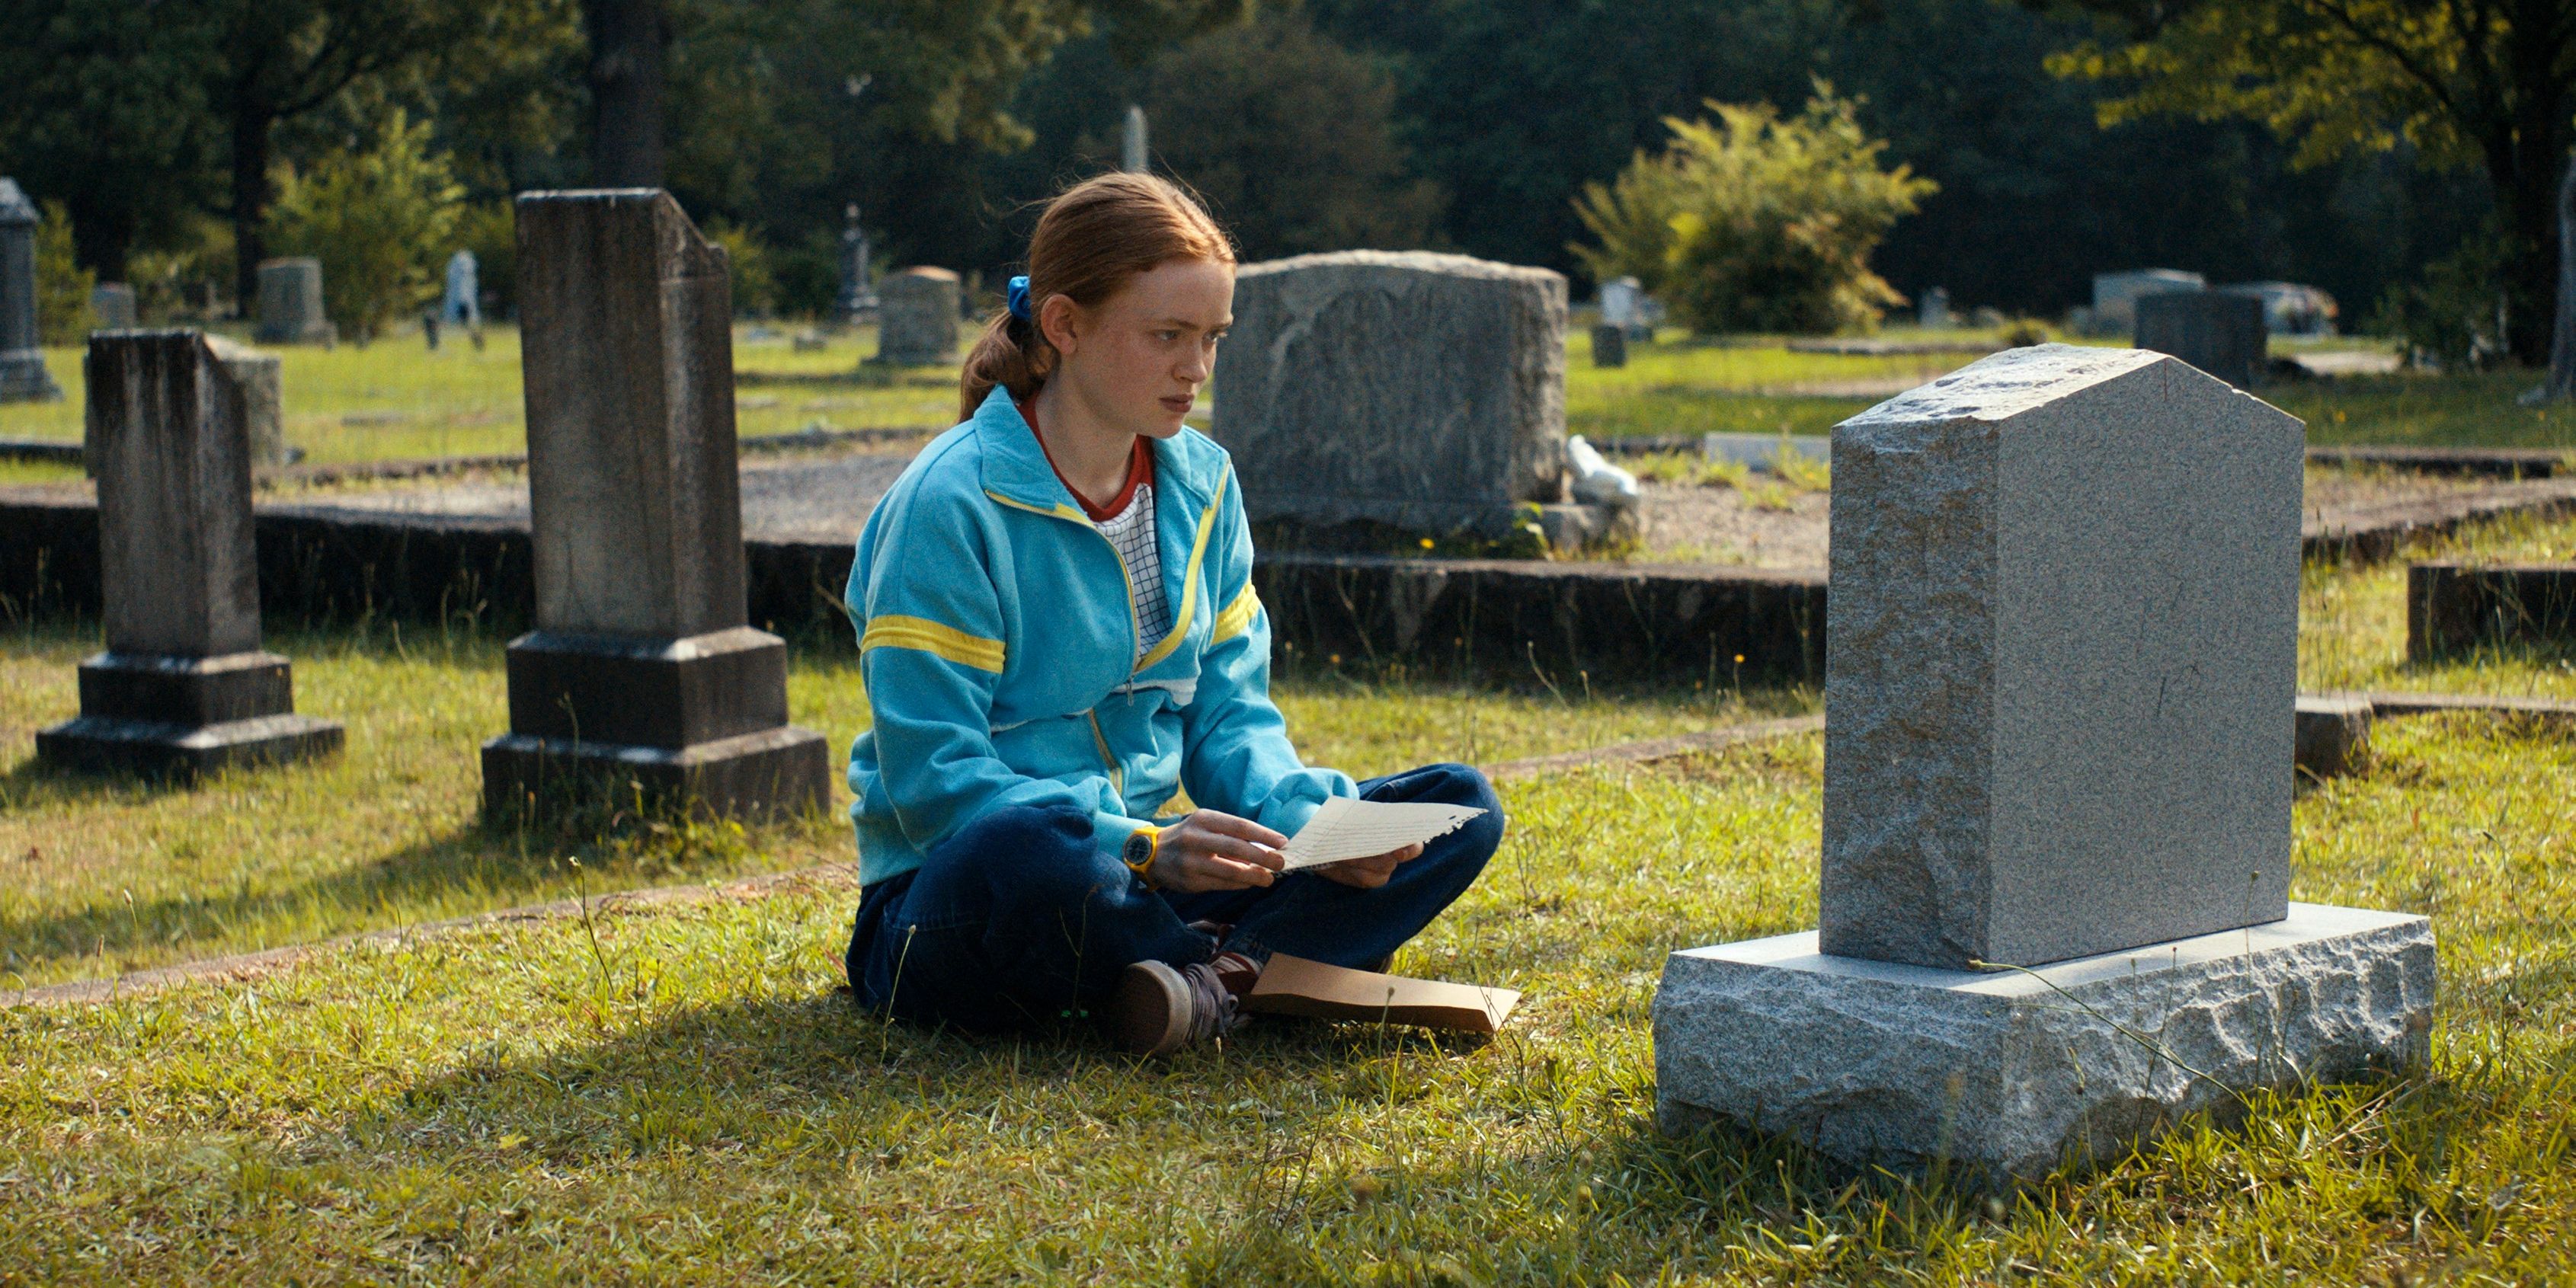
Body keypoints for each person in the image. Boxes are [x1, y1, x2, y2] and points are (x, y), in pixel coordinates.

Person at [840, 173, 1503, 1056]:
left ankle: (1201, 982)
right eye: (1167, 336)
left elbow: (1230, 715)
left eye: (1212, 339)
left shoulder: (1204, 483)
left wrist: (1309, 822)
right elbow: (937, 784)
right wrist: (1144, 844)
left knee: (1458, 806)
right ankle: (1262, 967)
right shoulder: (948, 503)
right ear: (1067, 325)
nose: (1196, 369)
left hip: (1145, 886)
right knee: (1041, 852)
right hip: (966, 893)